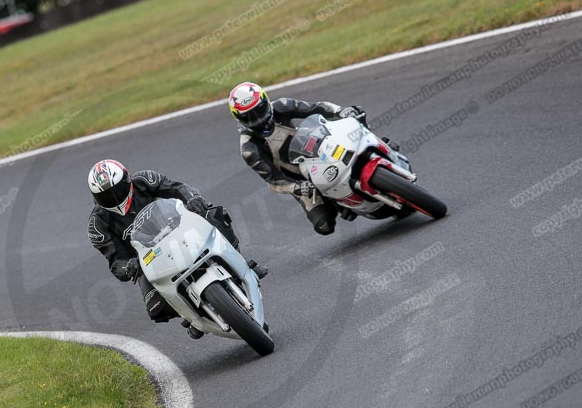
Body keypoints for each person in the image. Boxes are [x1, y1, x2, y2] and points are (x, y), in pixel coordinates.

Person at [87, 159, 267, 338]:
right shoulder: (98, 224)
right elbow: (115, 262)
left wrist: (193, 199)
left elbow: (178, 188)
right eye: (106, 196)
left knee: (215, 215)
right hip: (148, 260)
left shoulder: (144, 180)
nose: (114, 197)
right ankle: (192, 315)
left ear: (127, 180)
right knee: (156, 308)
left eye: (117, 190)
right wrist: (129, 266)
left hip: (178, 229)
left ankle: (242, 264)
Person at [228, 81, 402, 235]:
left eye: (258, 110)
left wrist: (341, 111)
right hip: (300, 179)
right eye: (249, 116)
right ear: (239, 118)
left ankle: (379, 146)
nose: (257, 118)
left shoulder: (282, 105)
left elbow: (317, 108)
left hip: (316, 146)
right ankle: (338, 204)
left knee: (356, 117)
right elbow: (274, 181)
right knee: (324, 225)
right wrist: (297, 188)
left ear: (265, 101)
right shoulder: (249, 149)